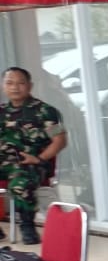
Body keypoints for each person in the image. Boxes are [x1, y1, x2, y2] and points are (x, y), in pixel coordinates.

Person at [0, 67, 67, 245]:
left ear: (30, 86)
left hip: (33, 163)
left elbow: (60, 141)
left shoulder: (45, 111)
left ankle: (27, 226)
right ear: (3, 86)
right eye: (9, 83)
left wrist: (39, 159)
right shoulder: (1, 111)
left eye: (20, 83)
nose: (15, 87)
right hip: (5, 162)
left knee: (20, 180)